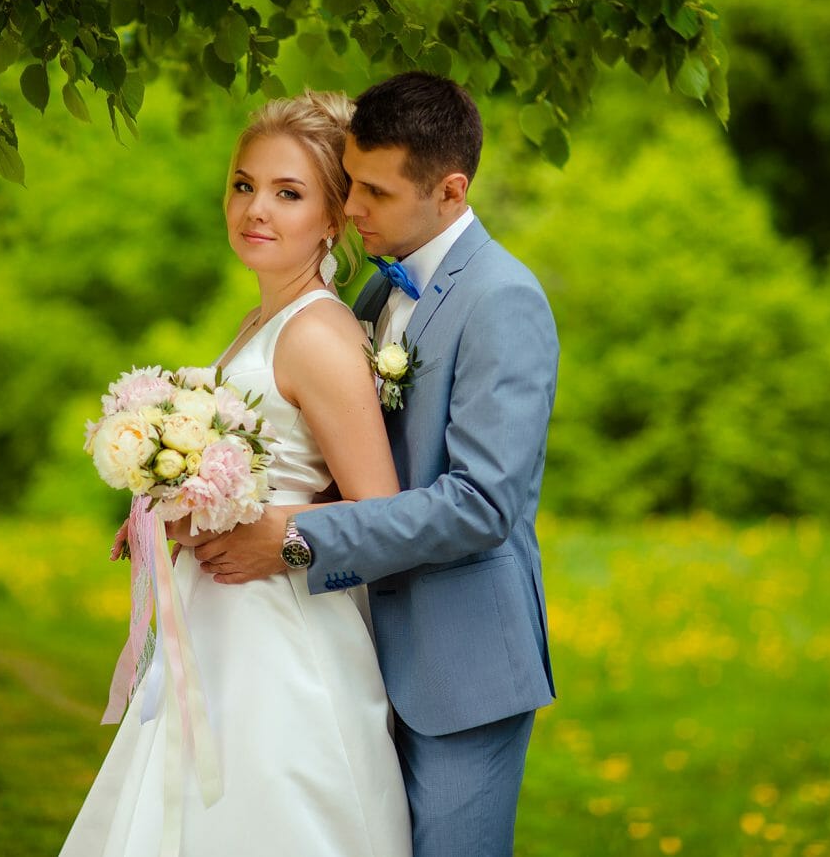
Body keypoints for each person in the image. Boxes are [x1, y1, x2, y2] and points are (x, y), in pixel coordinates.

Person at [195, 72, 560, 857]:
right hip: (359, 643)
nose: (351, 207)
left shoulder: (505, 299)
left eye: (375, 192)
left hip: (459, 663)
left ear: (450, 191)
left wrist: (294, 539)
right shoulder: (369, 298)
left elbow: (479, 505)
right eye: (350, 183)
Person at [59, 91, 412, 856]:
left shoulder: (317, 332)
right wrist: (172, 503)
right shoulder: (265, 318)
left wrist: (270, 533)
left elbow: (381, 512)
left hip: (279, 639)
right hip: (221, 625)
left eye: (289, 193)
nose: (256, 208)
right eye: (245, 185)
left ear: (332, 216)